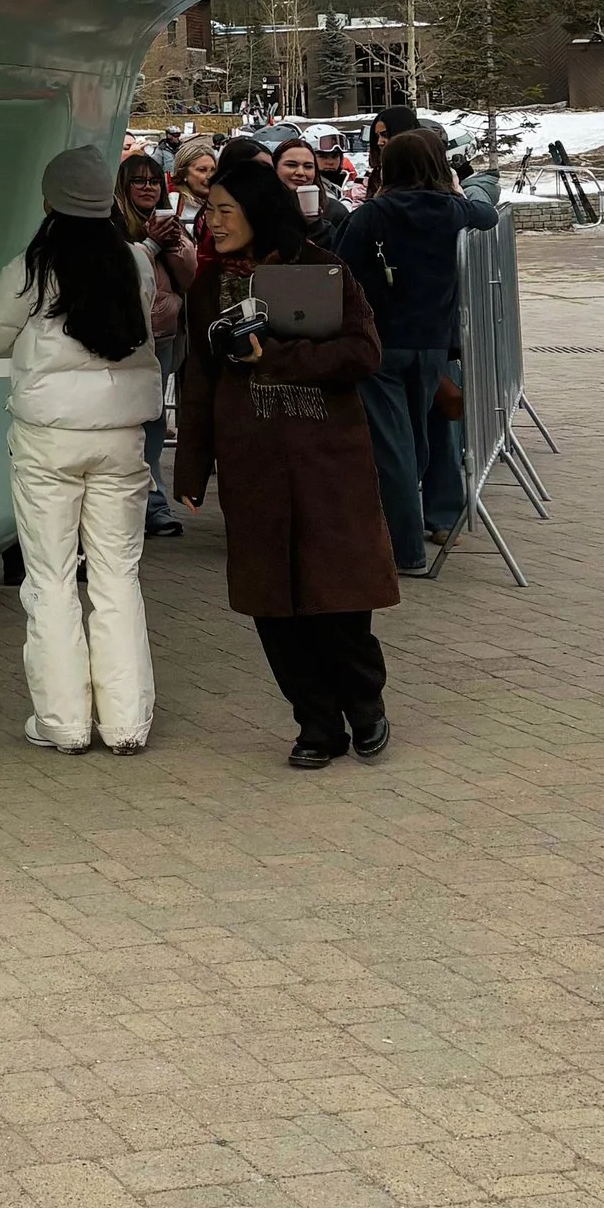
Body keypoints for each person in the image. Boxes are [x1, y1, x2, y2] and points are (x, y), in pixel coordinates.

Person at [173, 145, 398, 768]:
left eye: (223, 209)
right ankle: (316, 724)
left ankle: (365, 703)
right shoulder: (209, 286)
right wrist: (192, 468)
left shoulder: (323, 270)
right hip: (253, 461)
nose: (212, 221)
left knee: (339, 595)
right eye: (208, 209)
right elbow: (198, 381)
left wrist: (272, 355)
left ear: (257, 209)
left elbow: (361, 354)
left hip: (327, 456)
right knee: (272, 601)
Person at [0, 145, 162, 755]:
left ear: (48, 202)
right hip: (123, 439)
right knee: (118, 575)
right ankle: (127, 724)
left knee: (50, 578)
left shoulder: (33, 267)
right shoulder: (136, 262)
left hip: (48, 441)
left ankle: (64, 723)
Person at [338, 125, 499, 572]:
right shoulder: (455, 212)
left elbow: (341, 266)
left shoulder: (373, 214)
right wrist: (454, 189)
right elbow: (490, 216)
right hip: (432, 345)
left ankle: (404, 550)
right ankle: (418, 527)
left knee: (393, 446)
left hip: (382, 344)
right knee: (419, 439)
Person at [115, 149, 192, 536]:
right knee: (129, 421)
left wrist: (174, 242)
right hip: (127, 339)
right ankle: (134, 505)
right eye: (138, 181)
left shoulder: (171, 222)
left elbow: (189, 277)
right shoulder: (114, 226)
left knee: (156, 420)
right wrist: (149, 242)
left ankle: (154, 502)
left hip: (162, 338)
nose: (147, 188)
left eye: (153, 181)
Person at [269, 132, 344, 248]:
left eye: (308, 166)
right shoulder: (258, 210)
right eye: (291, 165)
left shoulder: (334, 211)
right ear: (275, 167)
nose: (300, 172)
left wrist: (315, 226)